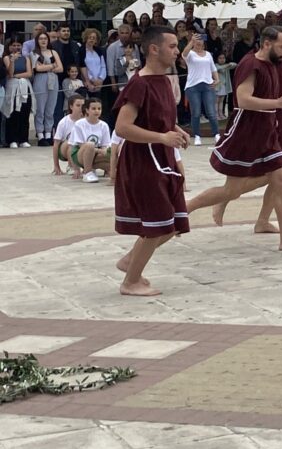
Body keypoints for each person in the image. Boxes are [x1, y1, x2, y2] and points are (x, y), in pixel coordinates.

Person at [187, 27, 282, 251]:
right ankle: (186, 209)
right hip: (246, 131)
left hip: (268, 130)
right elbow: (243, 100)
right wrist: (277, 104)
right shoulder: (250, 64)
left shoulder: (275, 63)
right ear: (266, 44)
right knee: (231, 190)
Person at [108, 25, 189, 295]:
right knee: (156, 225)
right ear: (154, 49)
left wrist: (175, 130)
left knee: (172, 224)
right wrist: (162, 137)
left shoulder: (164, 80)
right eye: (173, 46)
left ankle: (131, 260)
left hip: (162, 158)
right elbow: (122, 128)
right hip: (144, 161)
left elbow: (161, 118)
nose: (177, 51)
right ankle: (130, 281)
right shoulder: (139, 84)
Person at [180, 31, 220, 146]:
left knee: (211, 112)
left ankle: (216, 134)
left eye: (200, 39)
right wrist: (191, 41)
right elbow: (184, 54)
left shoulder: (208, 54)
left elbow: (213, 68)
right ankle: (197, 135)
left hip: (207, 84)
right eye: (196, 40)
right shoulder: (191, 54)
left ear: (204, 42)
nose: (199, 42)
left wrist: (216, 79)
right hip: (193, 86)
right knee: (196, 112)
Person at [30, 31, 63, 146]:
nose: (43, 41)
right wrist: (52, 66)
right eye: (41, 39)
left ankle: (49, 134)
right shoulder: (34, 53)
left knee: (50, 108)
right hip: (40, 80)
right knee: (40, 109)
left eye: (45, 38)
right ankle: (40, 134)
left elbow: (60, 68)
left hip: (53, 80)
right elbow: (38, 69)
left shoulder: (53, 52)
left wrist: (47, 67)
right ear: (37, 41)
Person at [70, 98, 112, 182]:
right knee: (90, 145)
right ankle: (87, 172)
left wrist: (104, 152)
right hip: (80, 154)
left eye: (99, 109)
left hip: (95, 155)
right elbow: (80, 145)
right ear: (87, 110)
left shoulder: (104, 125)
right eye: (93, 109)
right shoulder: (79, 124)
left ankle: (101, 168)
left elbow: (105, 146)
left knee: (112, 161)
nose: (97, 111)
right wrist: (76, 169)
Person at [3, 38, 33, 148]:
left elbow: (29, 73)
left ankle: (23, 138)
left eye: (18, 45)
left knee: (25, 112)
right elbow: (10, 73)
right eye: (14, 45)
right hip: (12, 86)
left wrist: (17, 76)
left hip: (25, 85)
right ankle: (12, 139)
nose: (16, 47)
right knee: (13, 112)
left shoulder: (26, 57)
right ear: (10, 46)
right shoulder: (7, 57)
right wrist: (12, 61)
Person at [52, 95, 85, 176]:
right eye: (78, 105)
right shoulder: (64, 122)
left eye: (83, 106)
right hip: (65, 150)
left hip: (82, 148)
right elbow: (56, 144)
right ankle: (71, 166)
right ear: (71, 106)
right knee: (70, 143)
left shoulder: (87, 121)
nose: (81, 108)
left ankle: (88, 168)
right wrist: (56, 166)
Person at [215, 53, 236, 120]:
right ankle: (216, 114)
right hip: (217, 86)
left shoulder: (226, 66)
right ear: (217, 59)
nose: (222, 59)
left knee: (221, 101)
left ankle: (220, 113)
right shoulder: (215, 65)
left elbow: (235, 64)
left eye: (223, 58)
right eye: (220, 58)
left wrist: (228, 64)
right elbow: (218, 68)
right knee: (216, 101)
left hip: (224, 86)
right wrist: (227, 65)